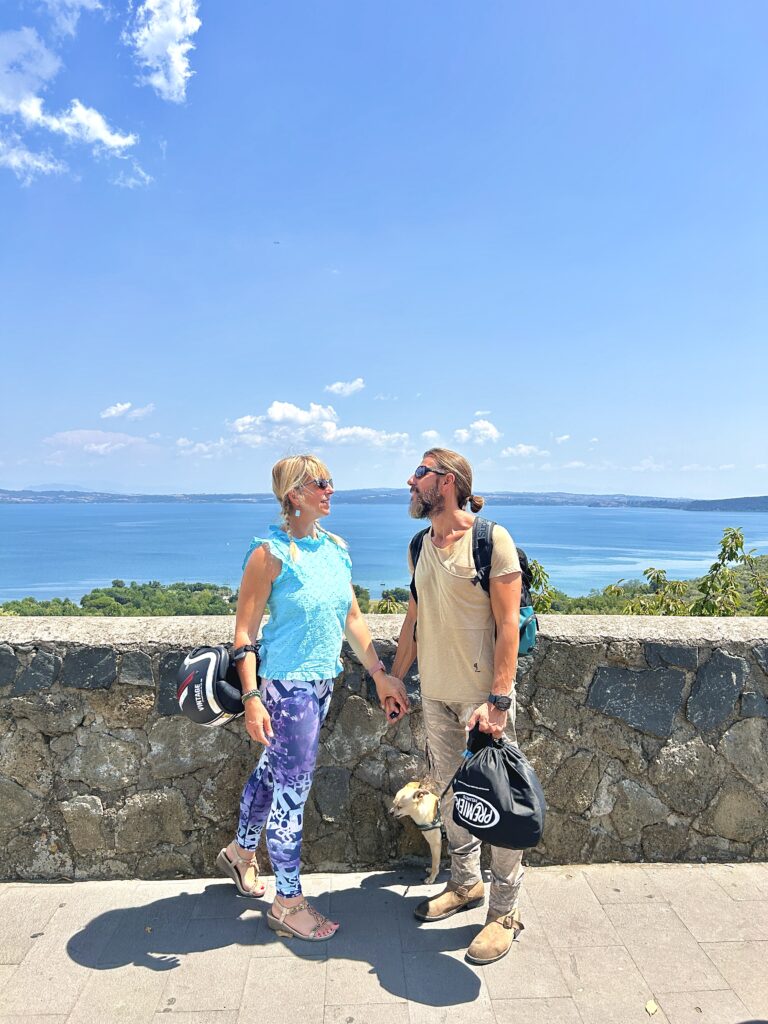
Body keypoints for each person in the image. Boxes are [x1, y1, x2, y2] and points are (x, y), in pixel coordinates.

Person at [217, 454, 409, 942]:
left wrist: (381, 675)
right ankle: (287, 901)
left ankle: (240, 853)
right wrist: (253, 697)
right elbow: (244, 631)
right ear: (293, 495)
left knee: (272, 771)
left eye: (330, 481)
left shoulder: (335, 550)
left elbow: (353, 619)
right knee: (292, 791)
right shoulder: (270, 553)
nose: (330, 490)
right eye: (319, 483)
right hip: (285, 688)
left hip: (321, 684)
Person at [389, 447, 525, 965]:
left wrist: (499, 702)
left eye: (419, 473)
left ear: (446, 482)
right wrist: (395, 679)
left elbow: (508, 625)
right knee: (450, 797)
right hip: (436, 697)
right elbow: (415, 620)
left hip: (480, 705)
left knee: (500, 806)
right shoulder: (419, 545)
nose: (410, 480)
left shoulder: (492, 541)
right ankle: (466, 883)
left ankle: (506, 912)